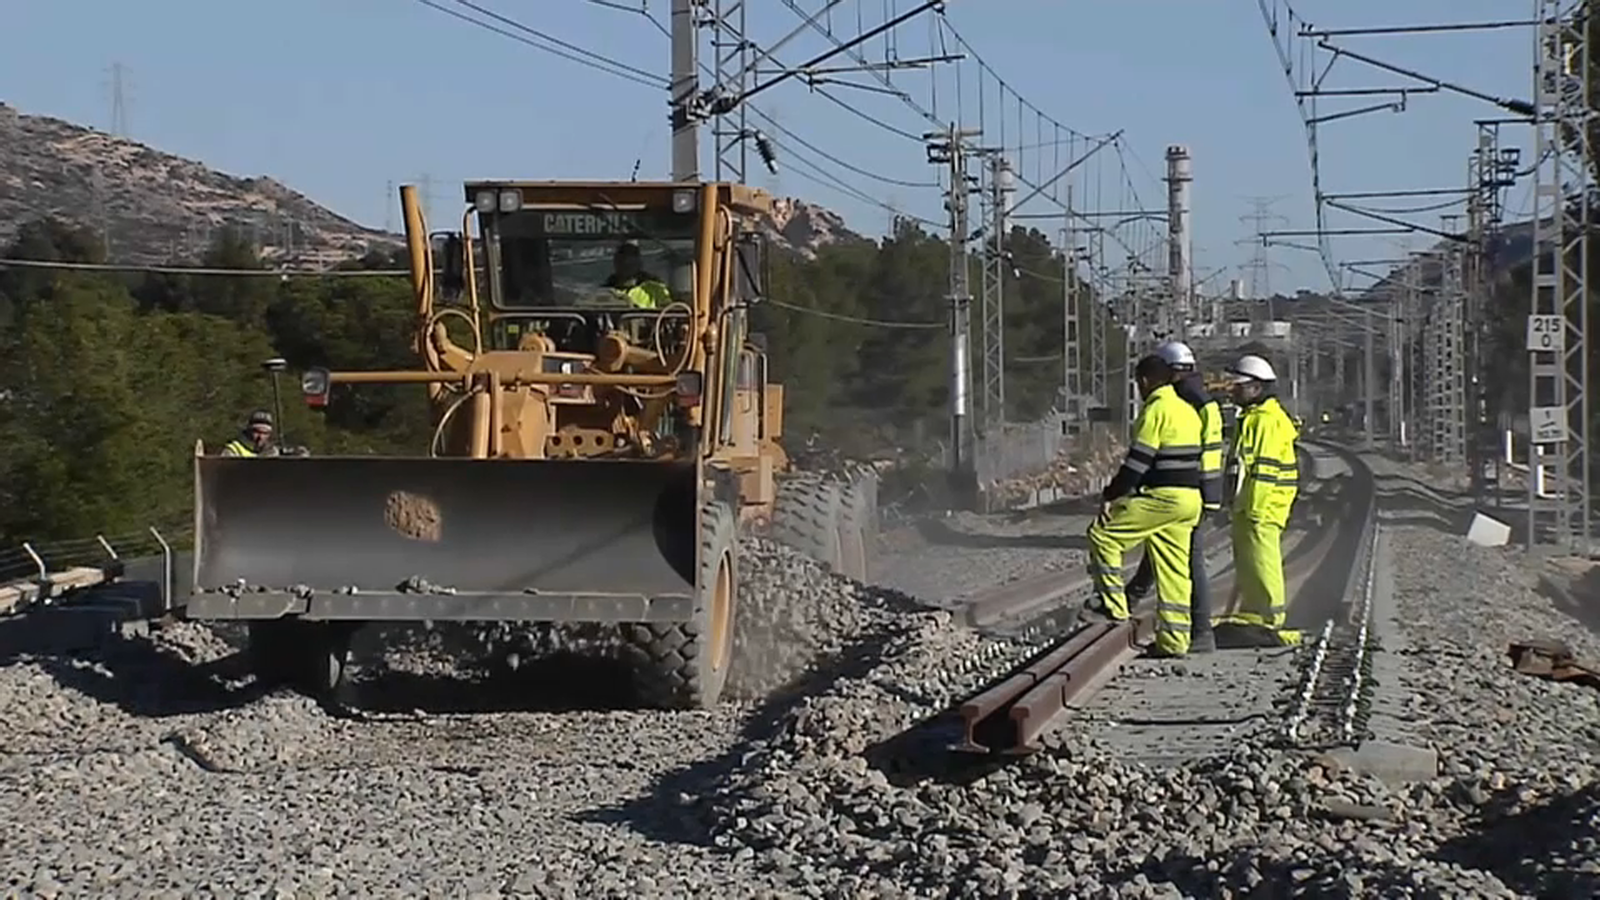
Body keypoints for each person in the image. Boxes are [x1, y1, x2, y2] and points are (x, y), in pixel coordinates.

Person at [1083, 353, 1205, 658]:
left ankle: (1114, 609)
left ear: (1146, 381)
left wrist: (1111, 494)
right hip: (1190, 499)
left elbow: (1138, 463)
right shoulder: (1188, 411)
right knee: (1174, 570)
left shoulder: (1156, 410)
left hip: (1164, 497)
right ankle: (1175, 642)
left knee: (1104, 537)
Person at [1124, 340, 1224, 653]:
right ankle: (1132, 597)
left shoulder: (1186, 399)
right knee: (1166, 551)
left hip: (1187, 489)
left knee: (1189, 561)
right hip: (1197, 490)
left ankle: (1200, 631)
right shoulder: (1199, 398)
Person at [1218, 354, 1302, 646]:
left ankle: (1272, 619)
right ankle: (1254, 612)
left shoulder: (1266, 421)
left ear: (1256, 388)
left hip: (1263, 506)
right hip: (1249, 504)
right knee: (1249, 559)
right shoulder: (1251, 418)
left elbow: (1265, 471)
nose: (1232, 390)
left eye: (1238, 385)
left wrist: (1254, 509)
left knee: (1263, 559)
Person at [603, 241, 671, 310]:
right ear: (616, 262)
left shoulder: (656, 289)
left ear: (640, 263)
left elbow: (668, 312)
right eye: (623, 258)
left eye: (632, 257)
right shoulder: (604, 292)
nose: (627, 262)